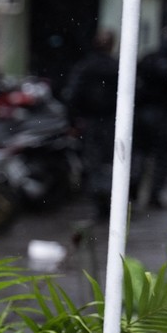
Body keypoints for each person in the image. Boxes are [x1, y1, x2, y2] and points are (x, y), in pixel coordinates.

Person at [64, 29, 119, 221]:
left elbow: (72, 95)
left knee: (95, 164)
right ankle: (108, 202)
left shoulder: (86, 67)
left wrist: (73, 121)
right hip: (110, 123)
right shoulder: (116, 68)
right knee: (111, 163)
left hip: (93, 123)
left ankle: (102, 202)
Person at [132, 28, 167, 208]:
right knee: (159, 157)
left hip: (143, 113)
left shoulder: (149, 60)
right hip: (158, 114)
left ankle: (133, 193)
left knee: (140, 155)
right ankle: (152, 195)